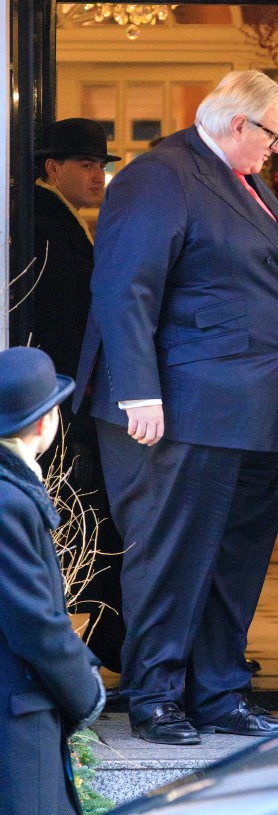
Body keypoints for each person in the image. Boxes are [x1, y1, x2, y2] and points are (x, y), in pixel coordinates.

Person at [73, 70, 278, 744]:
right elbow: (125, 288)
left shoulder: (247, 181)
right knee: (172, 556)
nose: (277, 150)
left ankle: (219, 693)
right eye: (273, 136)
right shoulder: (161, 175)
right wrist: (137, 391)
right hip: (179, 407)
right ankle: (154, 696)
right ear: (240, 125)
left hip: (262, 407)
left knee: (234, 561)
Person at [33, 117, 126, 675]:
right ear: (53, 169)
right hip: (63, 399)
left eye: (101, 165)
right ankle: (91, 646)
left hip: (68, 395)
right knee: (82, 520)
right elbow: (61, 320)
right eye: (87, 165)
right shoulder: (45, 221)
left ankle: (101, 641)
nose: (98, 175)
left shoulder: (56, 218)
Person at [0, 347, 105, 815]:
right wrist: (86, 691)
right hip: (17, 721)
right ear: (45, 423)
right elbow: (37, 624)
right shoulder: (9, 501)